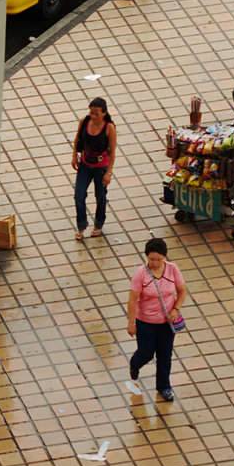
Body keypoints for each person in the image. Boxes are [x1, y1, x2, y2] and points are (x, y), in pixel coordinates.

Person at [125, 237, 186, 402]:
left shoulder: (172, 269)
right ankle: (135, 364)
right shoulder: (140, 274)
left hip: (167, 323)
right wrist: (131, 323)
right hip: (145, 322)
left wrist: (176, 309)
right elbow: (133, 300)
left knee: (165, 355)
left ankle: (164, 386)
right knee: (145, 353)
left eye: (158, 259)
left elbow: (182, 291)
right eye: (151, 259)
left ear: (165, 257)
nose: (155, 262)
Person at [71, 97, 116, 241]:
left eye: (96, 113)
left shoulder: (109, 128)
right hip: (85, 164)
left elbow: (112, 152)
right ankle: (81, 225)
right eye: (91, 112)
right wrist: (74, 156)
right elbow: (77, 139)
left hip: (100, 167)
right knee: (79, 195)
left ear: (104, 113)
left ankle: (98, 224)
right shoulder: (84, 121)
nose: (93, 116)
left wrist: (109, 173)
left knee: (100, 196)